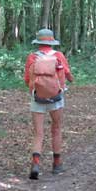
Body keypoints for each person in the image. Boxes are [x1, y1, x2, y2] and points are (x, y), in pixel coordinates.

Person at [23, 28, 74, 180]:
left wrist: (38, 88)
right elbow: (67, 74)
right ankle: (57, 164)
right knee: (56, 129)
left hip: (37, 98)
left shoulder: (32, 57)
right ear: (51, 41)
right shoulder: (59, 56)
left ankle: (36, 164)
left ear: (38, 42)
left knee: (38, 133)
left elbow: (27, 80)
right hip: (56, 98)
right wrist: (71, 80)